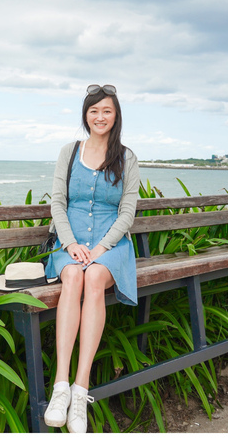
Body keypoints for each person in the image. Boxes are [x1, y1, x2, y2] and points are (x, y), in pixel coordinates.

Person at [43, 84, 140, 433]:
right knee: (73, 277)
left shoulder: (127, 158)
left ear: (116, 117)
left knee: (95, 277)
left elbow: (127, 212)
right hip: (70, 245)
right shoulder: (70, 152)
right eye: (94, 111)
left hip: (110, 247)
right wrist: (69, 244)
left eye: (107, 111)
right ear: (86, 115)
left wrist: (101, 248)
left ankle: (80, 391)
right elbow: (58, 203)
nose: (100, 117)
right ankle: (61, 387)